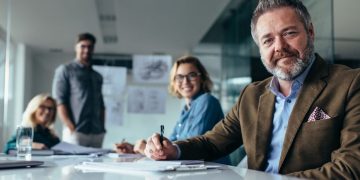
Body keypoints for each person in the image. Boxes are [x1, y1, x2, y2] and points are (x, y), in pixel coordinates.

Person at [144, 0, 360, 179]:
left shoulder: (350, 83)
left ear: (310, 32)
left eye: (289, 33)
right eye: (268, 40)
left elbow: (352, 166)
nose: (279, 47)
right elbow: (212, 142)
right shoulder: (251, 95)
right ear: (260, 48)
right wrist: (174, 149)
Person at [115, 56, 230, 164]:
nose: (185, 81)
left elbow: (191, 145)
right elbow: (171, 143)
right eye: (179, 77)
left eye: (192, 75)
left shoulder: (207, 101)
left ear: (201, 78)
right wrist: (139, 148)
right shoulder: (186, 109)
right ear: (174, 82)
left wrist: (146, 147)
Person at [52, 32, 105, 148]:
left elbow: (101, 104)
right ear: (76, 47)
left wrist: (102, 128)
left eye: (90, 47)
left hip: (97, 133)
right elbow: (60, 101)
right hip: (76, 132)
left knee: (97, 166)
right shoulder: (65, 70)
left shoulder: (97, 76)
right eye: (83, 46)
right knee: (72, 166)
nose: (86, 50)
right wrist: (70, 127)